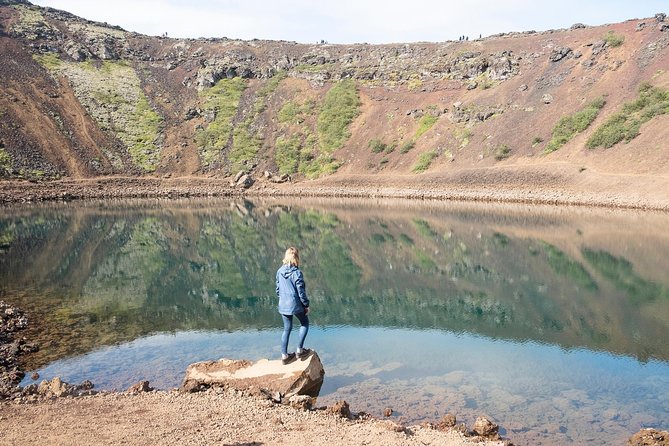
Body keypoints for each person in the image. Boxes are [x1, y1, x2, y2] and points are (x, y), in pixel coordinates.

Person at [276, 247, 311, 364]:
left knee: (286, 329)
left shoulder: (279, 271)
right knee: (305, 323)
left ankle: (284, 356)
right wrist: (306, 305)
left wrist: (282, 298)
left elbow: (277, 289)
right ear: (296, 258)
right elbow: (301, 292)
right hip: (295, 304)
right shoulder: (297, 273)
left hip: (283, 304)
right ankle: (300, 351)